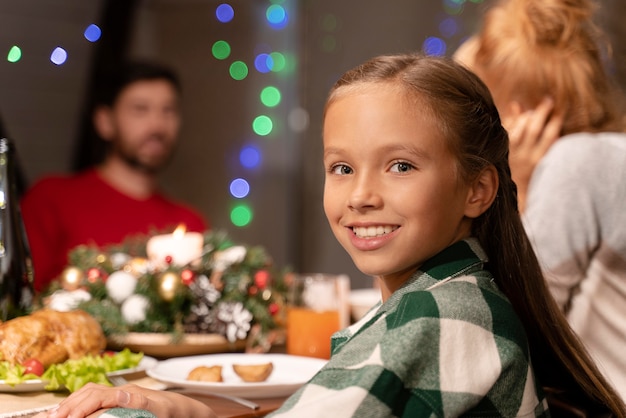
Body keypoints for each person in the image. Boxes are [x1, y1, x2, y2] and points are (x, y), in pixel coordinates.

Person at [34, 54, 625, 418]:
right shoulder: (444, 294)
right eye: (342, 167)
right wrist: (172, 406)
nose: (360, 195)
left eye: (400, 165)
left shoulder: (436, 320)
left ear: (478, 190)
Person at [454, 0, 626, 400]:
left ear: (517, 116)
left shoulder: (578, 163)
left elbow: (507, 327)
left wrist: (513, 188)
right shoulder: (607, 154)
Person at [20, 60, 208, 292]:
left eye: (168, 110)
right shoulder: (52, 199)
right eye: (140, 109)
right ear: (105, 121)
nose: (158, 126)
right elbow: (18, 304)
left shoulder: (188, 225)